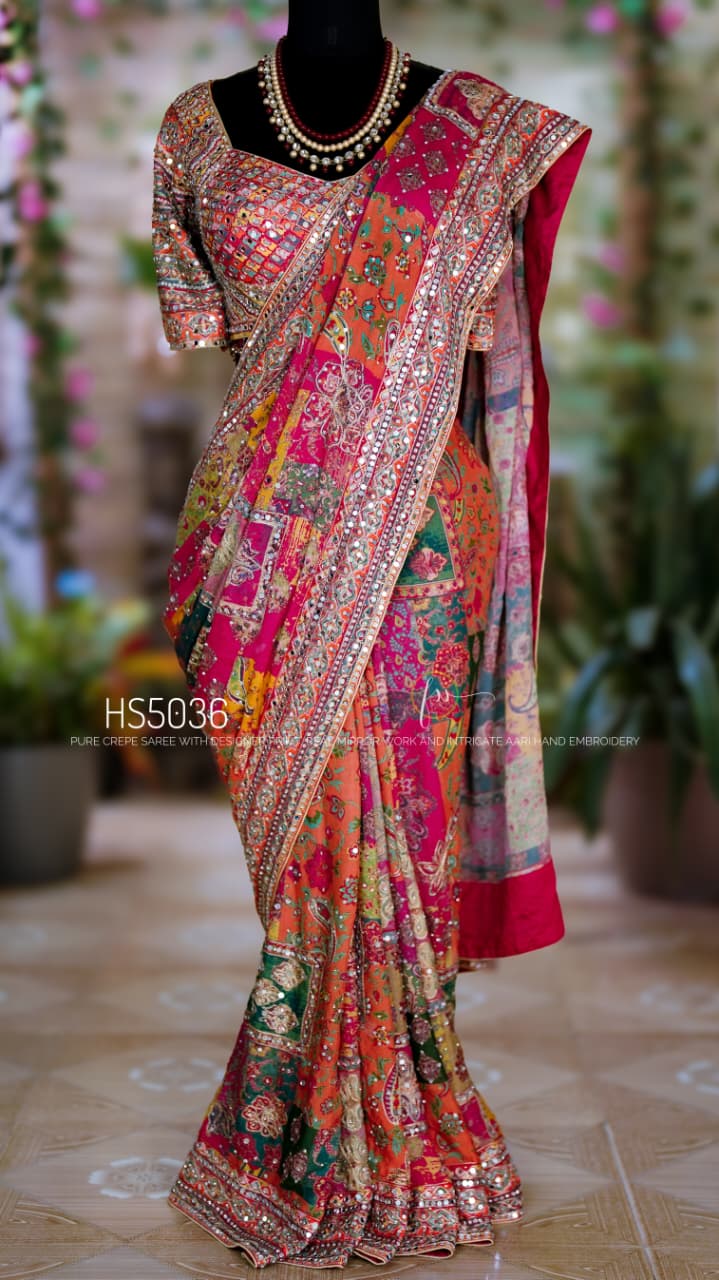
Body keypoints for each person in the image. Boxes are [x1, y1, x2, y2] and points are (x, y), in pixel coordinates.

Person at [151, 0, 592, 1266]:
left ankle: (383, 1106)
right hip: (258, 535)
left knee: (400, 814)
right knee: (304, 835)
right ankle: (312, 1110)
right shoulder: (195, 131)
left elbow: (480, 349)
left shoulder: (476, 132)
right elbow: (206, 334)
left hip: (424, 534)